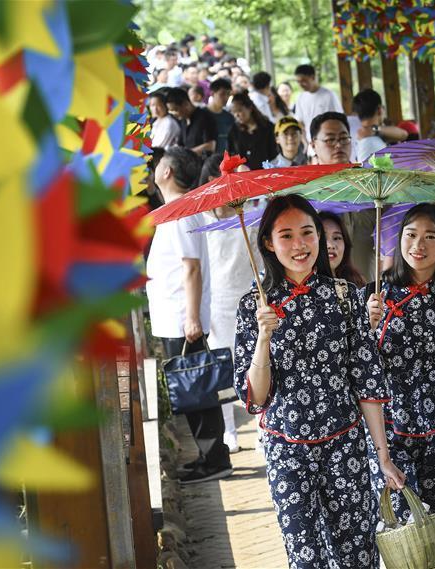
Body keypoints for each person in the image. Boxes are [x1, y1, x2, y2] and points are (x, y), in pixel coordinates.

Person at [233, 194, 405, 569]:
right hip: (286, 449)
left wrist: (383, 456)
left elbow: (367, 381)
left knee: (358, 553)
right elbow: (256, 397)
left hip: (344, 445)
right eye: (287, 235)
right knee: (305, 557)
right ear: (268, 243)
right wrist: (263, 338)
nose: (300, 245)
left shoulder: (345, 298)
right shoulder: (254, 307)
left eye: (308, 233)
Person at [364, 203, 435, 564]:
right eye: (411, 234)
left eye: (431, 236)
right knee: (402, 530)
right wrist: (367, 325)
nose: (419, 244)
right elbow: (357, 367)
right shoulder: (373, 296)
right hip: (387, 433)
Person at [146, 147, 232, 484]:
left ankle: (214, 459)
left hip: (184, 319)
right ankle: (210, 456)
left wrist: (193, 317)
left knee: (196, 389)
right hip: (177, 316)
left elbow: (191, 268)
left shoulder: (181, 213)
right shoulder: (176, 210)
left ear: (167, 171)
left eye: (158, 163)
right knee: (194, 389)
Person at [197, 154, 263, 455]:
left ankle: (263, 423)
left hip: (247, 297)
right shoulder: (201, 220)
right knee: (223, 367)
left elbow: (262, 260)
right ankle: (229, 429)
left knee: (257, 361)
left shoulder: (251, 214)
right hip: (217, 303)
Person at [351, 88, 408, 162]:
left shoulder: (369, 134)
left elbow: (403, 134)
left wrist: (374, 129)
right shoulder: (370, 141)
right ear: (379, 109)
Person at [294, 64, 343, 144]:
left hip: (329, 141)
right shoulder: (300, 97)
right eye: (298, 82)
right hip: (311, 143)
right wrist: (305, 142)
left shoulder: (329, 95)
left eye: (303, 81)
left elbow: (339, 119)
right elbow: (300, 122)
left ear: (313, 77)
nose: (301, 84)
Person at [228, 93, 276, 170]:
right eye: (233, 112)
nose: (236, 115)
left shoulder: (268, 127)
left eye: (239, 110)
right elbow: (231, 155)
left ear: (250, 108)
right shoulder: (234, 130)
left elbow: (274, 154)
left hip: (266, 173)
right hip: (243, 175)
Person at [319, 211, 365, 287]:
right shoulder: (305, 288)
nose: (331, 245)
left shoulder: (357, 283)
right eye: (323, 239)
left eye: (337, 238)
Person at [165, 87, 217, 155]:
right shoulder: (183, 120)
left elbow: (210, 146)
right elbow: (180, 144)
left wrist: (187, 154)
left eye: (175, 110)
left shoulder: (205, 117)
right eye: (171, 111)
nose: (173, 114)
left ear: (186, 104)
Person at [207, 78, 235, 155]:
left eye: (228, 94)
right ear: (212, 94)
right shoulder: (202, 115)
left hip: (224, 160)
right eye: (222, 94)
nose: (226, 97)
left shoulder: (229, 117)